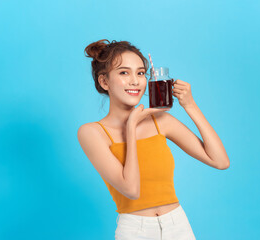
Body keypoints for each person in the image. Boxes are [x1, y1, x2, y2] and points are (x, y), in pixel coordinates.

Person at [77, 39, 230, 240]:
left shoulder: (161, 121)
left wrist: (190, 105)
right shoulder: (92, 133)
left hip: (178, 226)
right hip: (134, 230)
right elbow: (131, 190)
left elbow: (220, 161)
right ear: (104, 81)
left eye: (140, 73)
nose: (135, 81)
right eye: (124, 72)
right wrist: (131, 126)